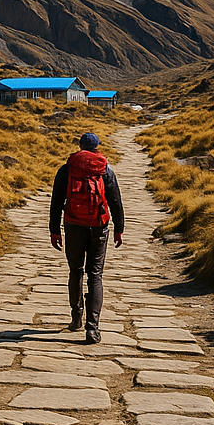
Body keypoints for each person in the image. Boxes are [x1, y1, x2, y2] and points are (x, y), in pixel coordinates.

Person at [49, 132, 125, 343]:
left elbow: (56, 202)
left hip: (73, 225)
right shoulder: (105, 170)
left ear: (80, 146)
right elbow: (115, 200)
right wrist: (119, 228)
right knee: (95, 274)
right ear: (97, 147)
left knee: (75, 271)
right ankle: (93, 328)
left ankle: (76, 318)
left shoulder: (67, 169)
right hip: (99, 227)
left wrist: (54, 230)